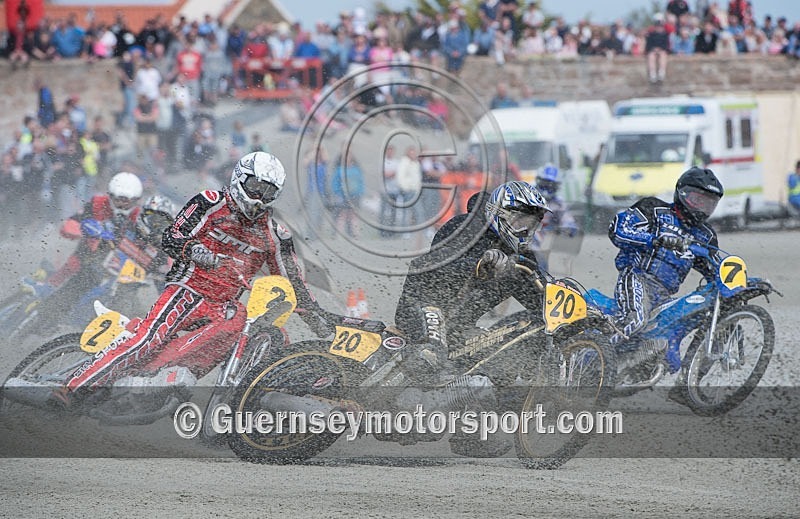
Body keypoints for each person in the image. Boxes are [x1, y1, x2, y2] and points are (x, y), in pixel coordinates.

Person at [53, 152, 332, 406]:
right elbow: (172, 237)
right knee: (148, 339)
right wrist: (195, 251)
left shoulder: (275, 233)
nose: (259, 197)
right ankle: (72, 387)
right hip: (188, 289)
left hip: (224, 305)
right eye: (256, 188)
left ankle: (184, 390)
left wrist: (320, 322)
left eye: (268, 192)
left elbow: (294, 282)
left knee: (247, 325)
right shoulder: (209, 202)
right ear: (240, 178)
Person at [394, 181, 551, 456]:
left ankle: (468, 435)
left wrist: (580, 311)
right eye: (520, 218)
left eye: (532, 222)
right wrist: (480, 264)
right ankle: (394, 406)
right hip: (423, 305)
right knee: (432, 354)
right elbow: (432, 265)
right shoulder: (463, 227)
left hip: (459, 327)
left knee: (493, 363)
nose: (526, 229)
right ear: (500, 212)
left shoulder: (522, 257)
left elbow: (542, 299)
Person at [608, 167, 724, 399]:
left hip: (665, 295)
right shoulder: (653, 208)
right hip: (637, 277)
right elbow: (617, 230)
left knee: (715, 317)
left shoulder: (705, 235)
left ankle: (686, 387)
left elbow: (714, 268)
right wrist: (655, 240)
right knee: (636, 320)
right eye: (696, 199)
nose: (701, 207)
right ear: (682, 193)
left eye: (708, 203)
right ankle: (594, 358)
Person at [531, 165, 579, 270]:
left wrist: (567, 228)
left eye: (551, 184)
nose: (548, 187)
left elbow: (568, 221)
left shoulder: (558, 203)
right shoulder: (528, 196)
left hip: (542, 241)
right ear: (539, 181)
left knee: (541, 263)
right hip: (522, 235)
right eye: (546, 183)